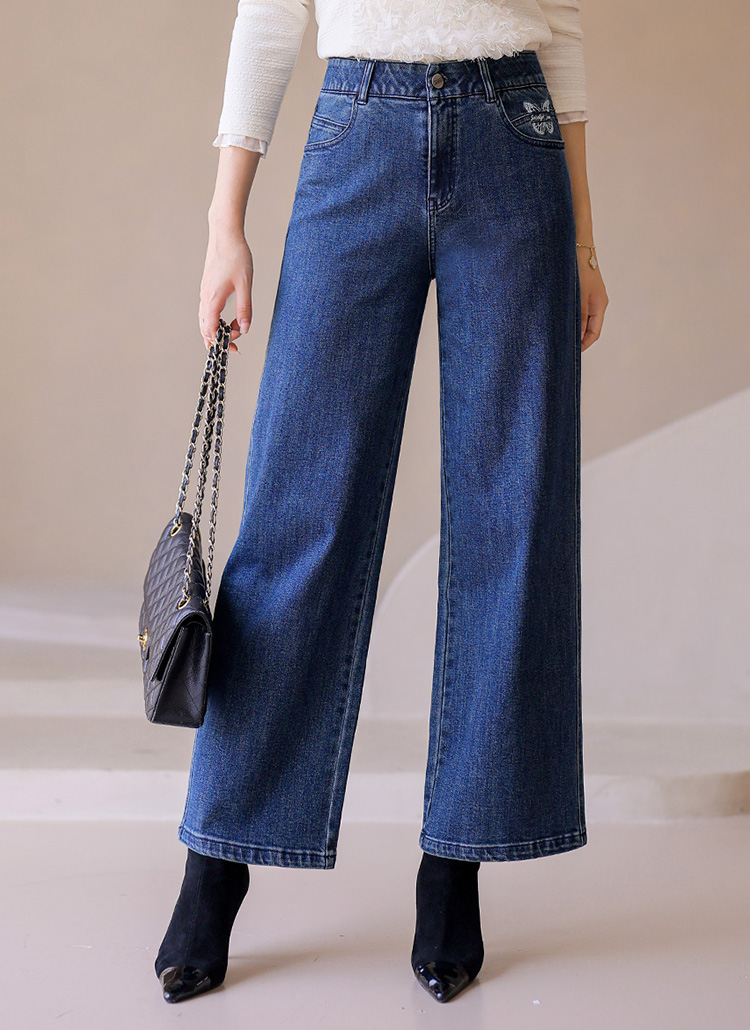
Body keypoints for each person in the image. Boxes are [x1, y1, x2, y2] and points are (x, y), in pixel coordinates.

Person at [154, 0, 608, 1006]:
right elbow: (271, 12)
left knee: (511, 515)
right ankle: (218, 856)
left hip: (515, 137)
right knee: (298, 516)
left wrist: (584, 239)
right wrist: (226, 223)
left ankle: (456, 860)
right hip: (357, 128)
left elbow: (563, 25)